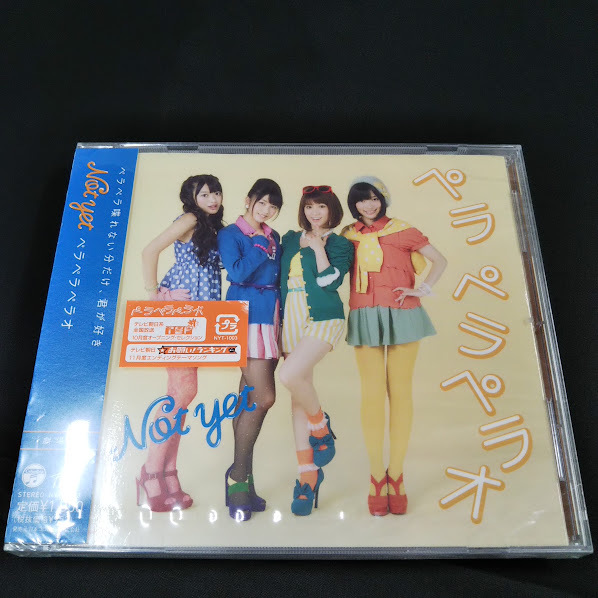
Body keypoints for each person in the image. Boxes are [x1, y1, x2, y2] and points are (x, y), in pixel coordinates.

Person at [342, 176, 447, 516]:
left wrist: (422, 289)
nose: (368, 205)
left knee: (400, 393)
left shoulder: (404, 230)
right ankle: (377, 477)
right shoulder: (347, 235)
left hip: (404, 314)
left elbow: (440, 261)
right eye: (361, 199)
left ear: (383, 199)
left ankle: (397, 476)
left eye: (374, 198)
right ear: (354, 204)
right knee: (372, 394)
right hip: (364, 314)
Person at [137, 174, 224, 512]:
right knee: (182, 393)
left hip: (202, 312)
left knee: (181, 395)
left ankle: (167, 473)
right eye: (205, 194)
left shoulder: (212, 225)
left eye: (216, 193)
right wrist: (156, 295)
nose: (213, 199)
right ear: (192, 198)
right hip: (181, 312)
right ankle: (150, 472)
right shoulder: (189, 219)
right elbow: (149, 251)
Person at [278, 186, 353, 516]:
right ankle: (308, 476)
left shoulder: (340, 244)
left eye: (321, 206)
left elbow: (329, 282)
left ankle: (320, 425)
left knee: (289, 375)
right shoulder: (288, 239)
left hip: (324, 317)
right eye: (309, 206)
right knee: (298, 393)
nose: (315, 212)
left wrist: (319, 246)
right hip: (291, 318)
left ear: (331, 209)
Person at [217, 178, 283, 521]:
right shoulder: (230, 234)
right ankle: (237, 476)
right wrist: (258, 245)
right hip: (244, 315)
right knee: (263, 397)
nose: (266, 210)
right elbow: (237, 272)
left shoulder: (275, 237)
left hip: (270, 318)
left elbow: (278, 279)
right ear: (248, 200)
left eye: (273, 206)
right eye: (262, 202)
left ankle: (245, 480)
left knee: (247, 398)